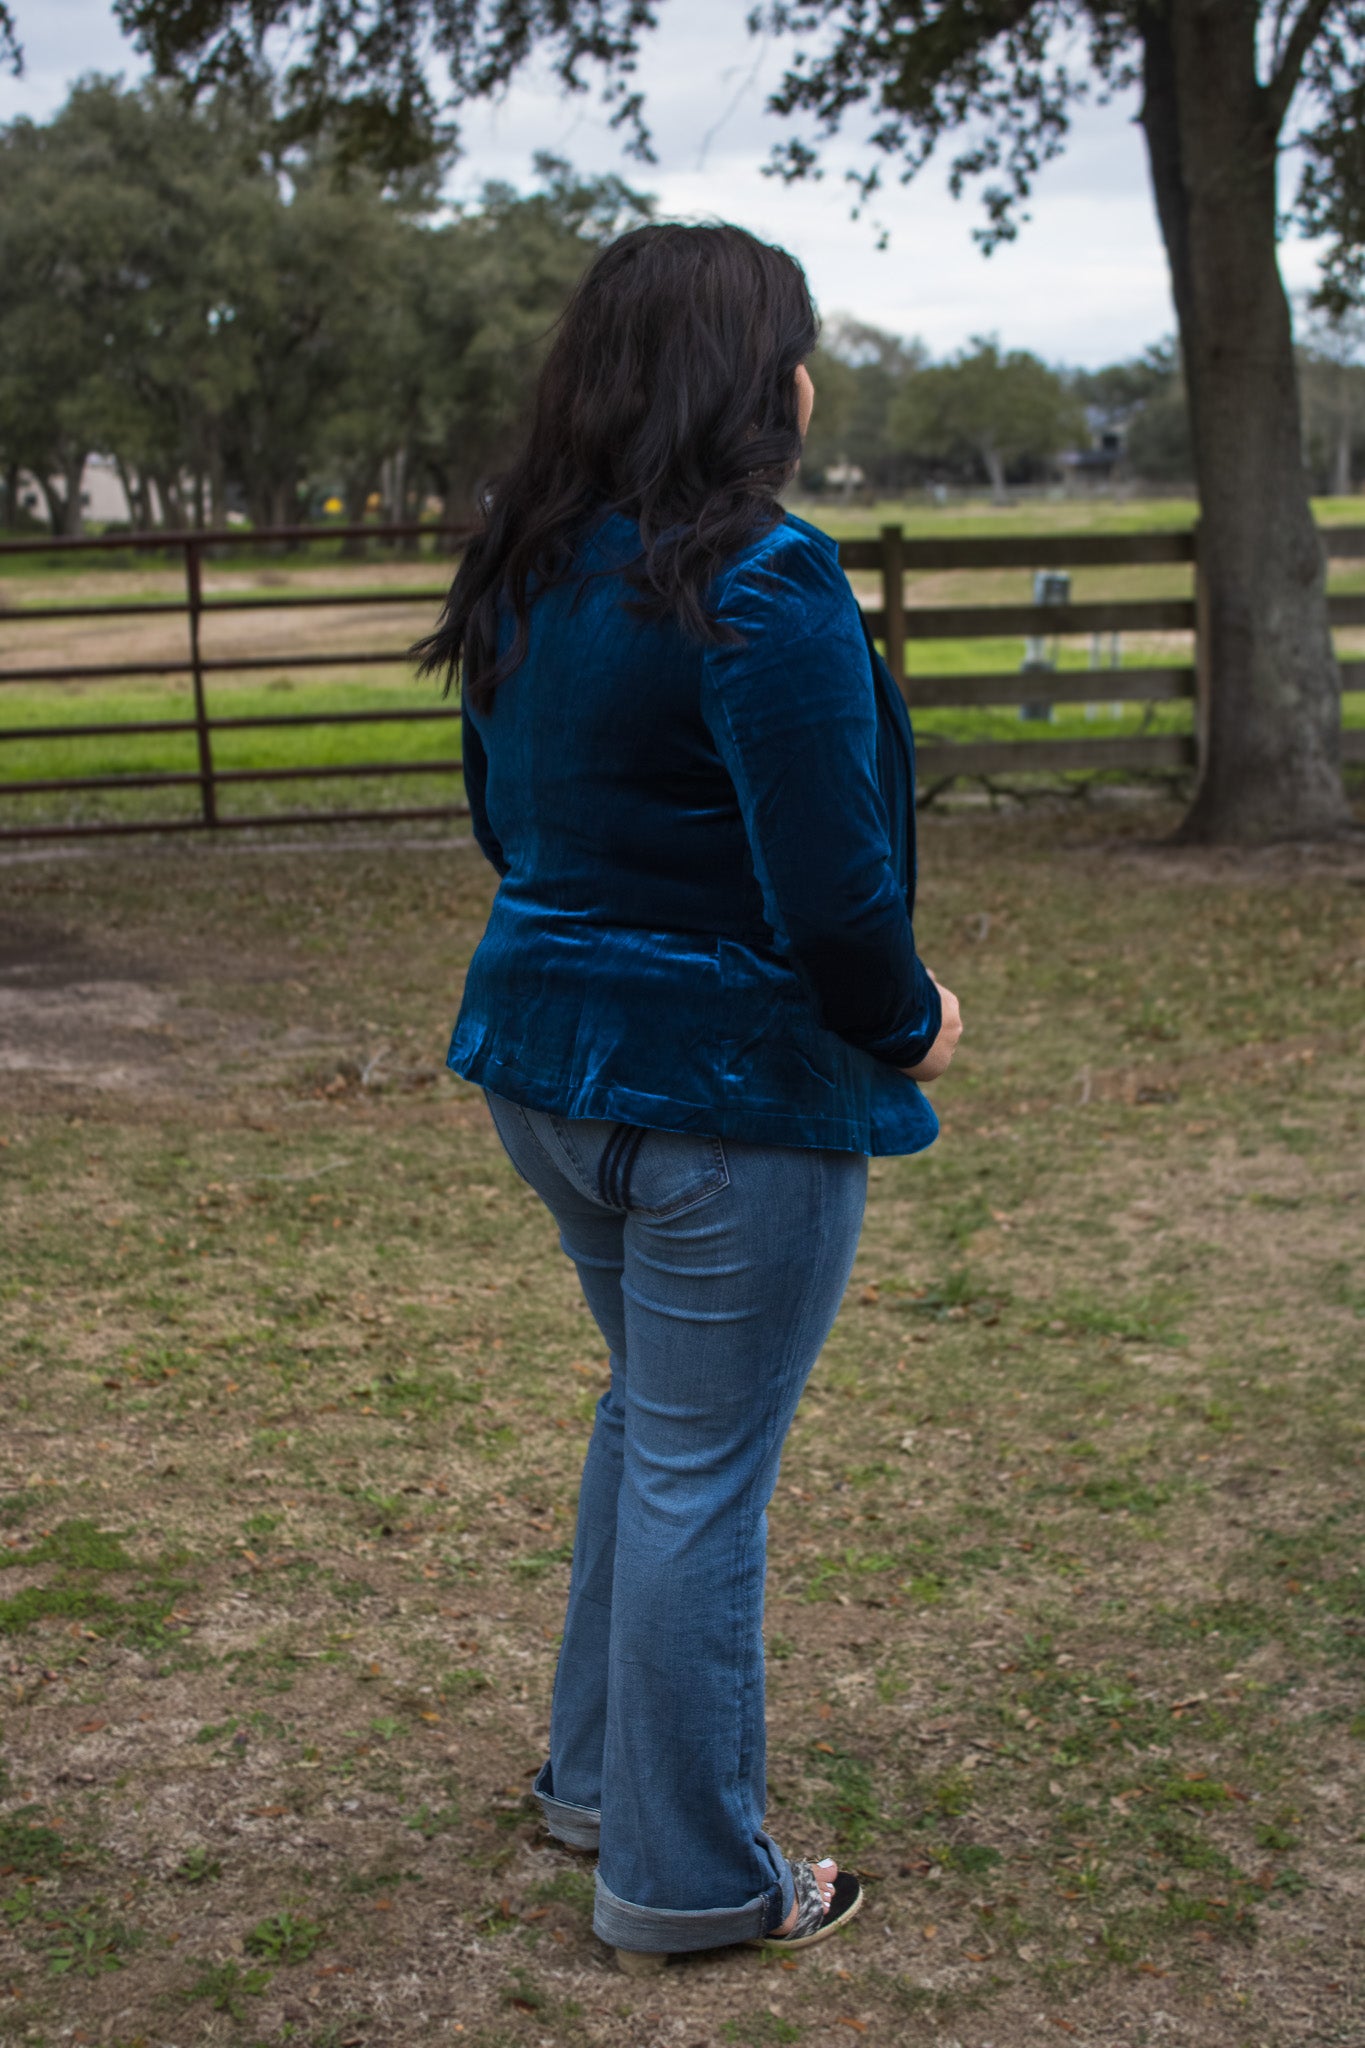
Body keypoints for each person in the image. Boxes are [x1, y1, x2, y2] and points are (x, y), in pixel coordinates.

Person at [415, 222, 962, 1970]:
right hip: (725, 1095)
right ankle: (689, 1880)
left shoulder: (530, 566)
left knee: (654, 1429)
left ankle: (598, 1782)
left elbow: (511, 832)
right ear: (758, 382)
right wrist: (913, 1023)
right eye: (797, 348)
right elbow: (832, 888)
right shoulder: (763, 584)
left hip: (547, 1070)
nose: (811, 381)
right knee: (699, 1468)